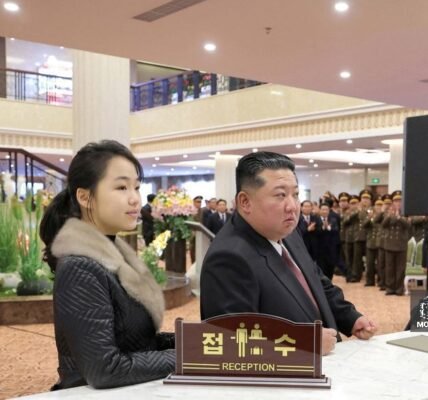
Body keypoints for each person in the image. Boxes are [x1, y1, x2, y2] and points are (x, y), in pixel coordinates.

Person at [200, 151, 377, 356]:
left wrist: (350, 317)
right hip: (291, 372)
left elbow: (316, 282)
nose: (292, 206)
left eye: (295, 194)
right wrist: (304, 343)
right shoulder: (228, 258)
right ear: (245, 202)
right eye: (280, 195)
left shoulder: (287, 232)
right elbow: (232, 344)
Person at [39, 140, 175, 390]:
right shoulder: (79, 266)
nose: (134, 199)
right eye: (121, 187)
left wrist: (197, 342)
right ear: (85, 197)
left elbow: (136, 341)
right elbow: (105, 369)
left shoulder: (115, 256)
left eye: (136, 187)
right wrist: (190, 356)